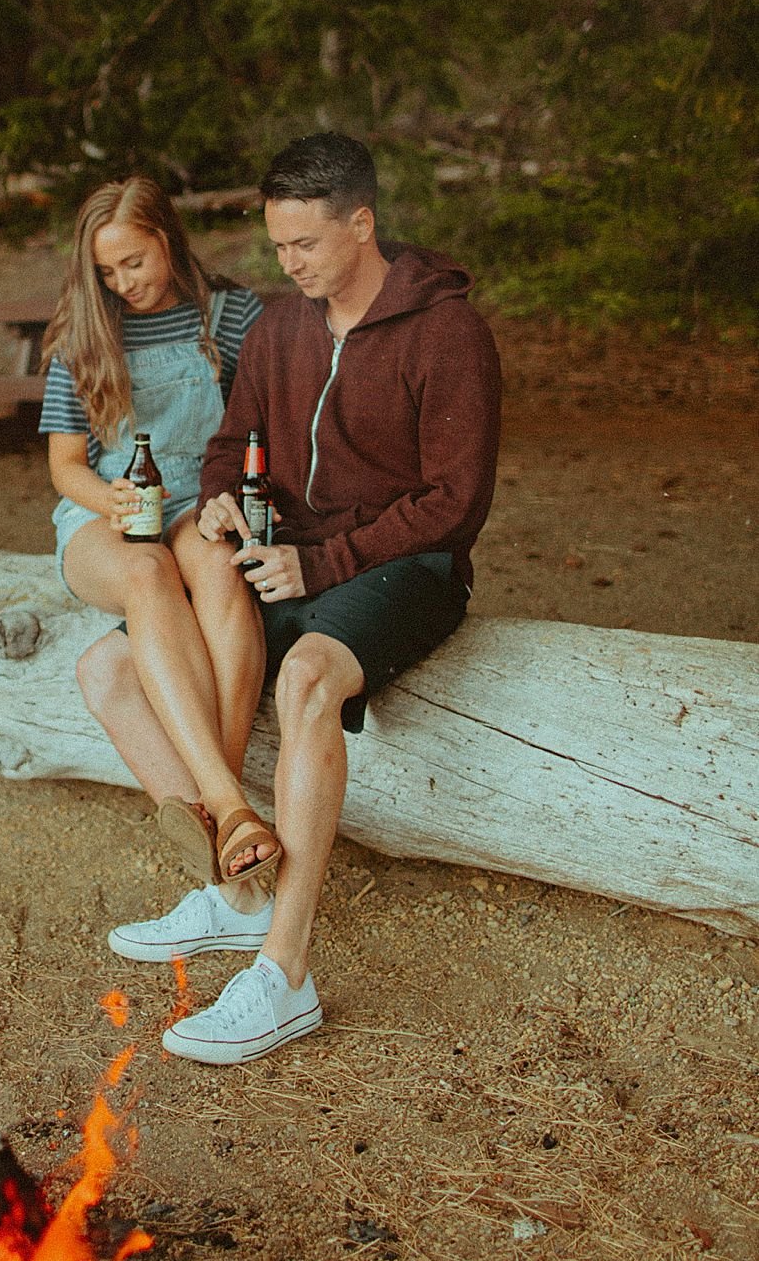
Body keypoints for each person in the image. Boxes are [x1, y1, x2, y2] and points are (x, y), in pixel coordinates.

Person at [90, 132, 502, 1065]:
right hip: (286, 559)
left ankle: (285, 969)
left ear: (361, 224)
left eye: (307, 245)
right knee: (109, 668)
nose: (290, 265)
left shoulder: (446, 331)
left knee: (309, 676)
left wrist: (327, 567)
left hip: (409, 567)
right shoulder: (279, 326)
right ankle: (233, 886)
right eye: (278, 247)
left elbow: (456, 501)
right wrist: (225, 496)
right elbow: (230, 439)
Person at [40, 176, 279, 886]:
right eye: (107, 272)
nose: (123, 284)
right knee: (147, 575)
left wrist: (225, 497)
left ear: (167, 240)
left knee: (215, 564)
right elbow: (65, 466)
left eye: (134, 263)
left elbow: (264, 426)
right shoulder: (81, 332)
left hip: (200, 498)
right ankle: (232, 801)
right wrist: (110, 501)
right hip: (104, 512)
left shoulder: (232, 317)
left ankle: (215, 803)